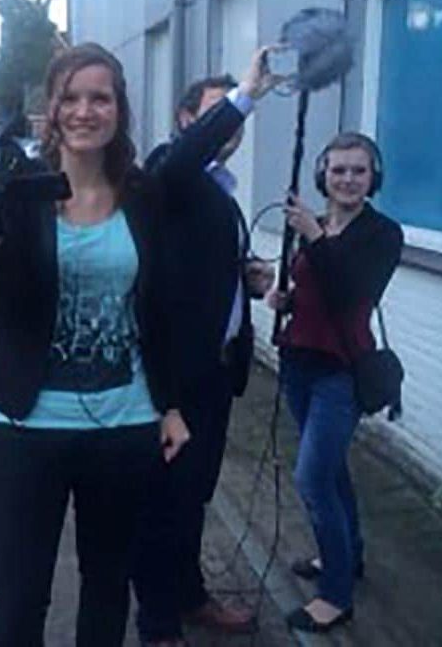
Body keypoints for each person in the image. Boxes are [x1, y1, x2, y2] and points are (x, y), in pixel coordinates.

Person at [0, 43, 276, 646]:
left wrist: (169, 406)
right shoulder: (20, 192)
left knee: (108, 586)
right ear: (51, 108)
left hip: (124, 425)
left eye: (100, 98)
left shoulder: (143, 194)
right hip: (29, 425)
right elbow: (4, 312)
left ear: (119, 110)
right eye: (71, 97)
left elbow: (156, 313)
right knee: (19, 594)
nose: (85, 111)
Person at [133, 75, 276, 645]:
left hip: (216, 373)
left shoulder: (220, 189)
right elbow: (178, 164)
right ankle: (157, 624)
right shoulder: (168, 169)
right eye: (216, 113)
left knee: (195, 496)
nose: (231, 126)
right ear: (186, 119)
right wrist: (246, 94)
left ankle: (190, 597)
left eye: (233, 117)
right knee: (164, 502)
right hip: (176, 377)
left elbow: (198, 266)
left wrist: (247, 278)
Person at [268, 132, 403, 633]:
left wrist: (315, 237)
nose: (347, 179)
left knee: (312, 479)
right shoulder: (319, 226)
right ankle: (349, 554)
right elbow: (315, 287)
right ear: (323, 174)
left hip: (340, 371)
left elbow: (352, 291)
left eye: (358, 170)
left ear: (374, 178)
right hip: (298, 363)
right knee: (331, 471)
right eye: (339, 169)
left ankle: (336, 595)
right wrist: (284, 297)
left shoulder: (382, 234)